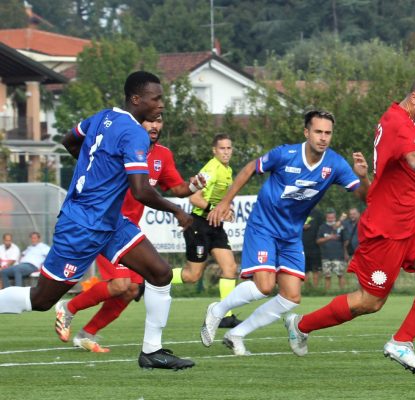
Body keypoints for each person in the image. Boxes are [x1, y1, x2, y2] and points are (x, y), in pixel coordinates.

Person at [0, 71, 201, 370]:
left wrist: (93, 168)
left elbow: (70, 140)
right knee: (42, 299)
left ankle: (152, 352)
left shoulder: (102, 117)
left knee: (159, 273)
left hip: (109, 222)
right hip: (81, 225)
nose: (161, 105)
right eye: (155, 98)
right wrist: (178, 211)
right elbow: (141, 190)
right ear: (136, 99)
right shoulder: (134, 133)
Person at [284, 70, 415, 375]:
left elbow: (411, 157)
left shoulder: (402, 120)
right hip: (386, 229)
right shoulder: (397, 123)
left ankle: (402, 342)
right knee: (370, 302)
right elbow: (412, 158)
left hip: (410, 221)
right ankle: (300, 324)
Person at [200, 109, 370, 355]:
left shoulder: (334, 164)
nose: (323, 137)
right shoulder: (285, 154)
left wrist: (363, 177)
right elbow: (250, 168)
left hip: (291, 235)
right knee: (265, 286)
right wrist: (225, 202)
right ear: (306, 132)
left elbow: (365, 197)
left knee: (291, 297)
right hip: (264, 226)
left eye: (328, 133)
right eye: (318, 131)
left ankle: (236, 333)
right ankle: (217, 310)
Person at [54, 114, 201, 353]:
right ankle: (68, 308)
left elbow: (177, 188)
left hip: (129, 228)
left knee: (132, 290)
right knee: (121, 284)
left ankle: (86, 334)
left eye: (160, 121)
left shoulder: (163, 155)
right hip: (106, 222)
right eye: (150, 120)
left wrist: (194, 185)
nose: (155, 126)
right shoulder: (124, 143)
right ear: (139, 122)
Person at [171, 133, 242, 329]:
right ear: (214, 150)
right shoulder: (211, 168)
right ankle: (153, 278)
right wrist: (215, 209)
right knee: (192, 276)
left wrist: (226, 210)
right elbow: (194, 198)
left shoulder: (227, 170)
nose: (226, 152)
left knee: (230, 269)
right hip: (199, 225)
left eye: (229, 148)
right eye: (222, 148)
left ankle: (225, 316)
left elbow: (220, 200)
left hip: (215, 225)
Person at [316, 209, 347, 292]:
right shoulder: (322, 227)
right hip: (326, 256)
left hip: (338, 255)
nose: (331, 219)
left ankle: (343, 292)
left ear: (335, 217)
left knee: (340, 274)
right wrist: (329, 237)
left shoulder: (341, 227)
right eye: (329, 218)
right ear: (326, 218)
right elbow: (318, 241)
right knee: (327, 276)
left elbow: (345, 241)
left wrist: (345, 253)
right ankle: (327, 293)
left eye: (332, 218)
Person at [302, 208, 324, 288]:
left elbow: (322, 227)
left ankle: (315, 289)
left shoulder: (317, 213)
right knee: (305, 270)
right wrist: (302, 226)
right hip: (302, 246)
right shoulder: (299, 211)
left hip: (315, 247)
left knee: (315, 269)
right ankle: (307, 289)